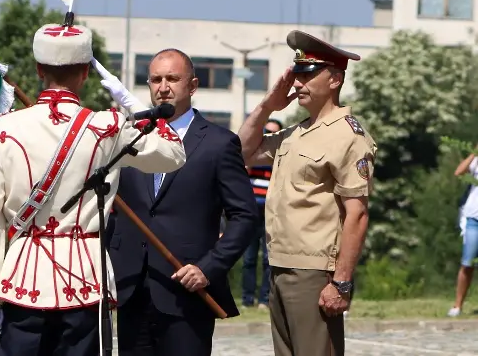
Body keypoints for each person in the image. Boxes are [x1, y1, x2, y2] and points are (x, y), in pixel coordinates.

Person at [0, 21, 186, 356]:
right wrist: (130, 102)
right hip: (85, 282)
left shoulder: (2, 129)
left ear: (39, 69)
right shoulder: (108, 127)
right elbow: (173, 155)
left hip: (21, 281)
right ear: (85, 73)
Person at [107, 48, 259, 356]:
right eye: (155, 79)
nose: (163, 87)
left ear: (192, 85)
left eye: (173, 79)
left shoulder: (218, 143)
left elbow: (245, 217)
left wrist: (209, 267)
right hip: (131, 290)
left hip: (187, 291)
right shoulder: (130, 139)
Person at [237, 30, 376, 356]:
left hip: (314, 272)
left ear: (334, 79)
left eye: (308, 74)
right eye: (297, 73)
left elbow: (357, 214)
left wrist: (341, 283)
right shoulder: (296, 132)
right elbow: (241, 152)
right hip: (280, 265)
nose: (298, 83)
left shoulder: (348, 136)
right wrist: (267, 106)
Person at [241, 118, 282, 310]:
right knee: (249, 259)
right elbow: (242, 171)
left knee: (268, 259)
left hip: (271, 212)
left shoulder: (279, 157)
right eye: (266, 131)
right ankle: (247, 299)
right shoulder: (254, 155)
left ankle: (265, 299)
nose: (269, 135)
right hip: (251, 210)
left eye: (274, 133)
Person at [447, 145, 478, 317]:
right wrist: (474, 153)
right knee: (467, 263)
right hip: (474, 217)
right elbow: (459, 172)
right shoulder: (476, 161)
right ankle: (458, 305)